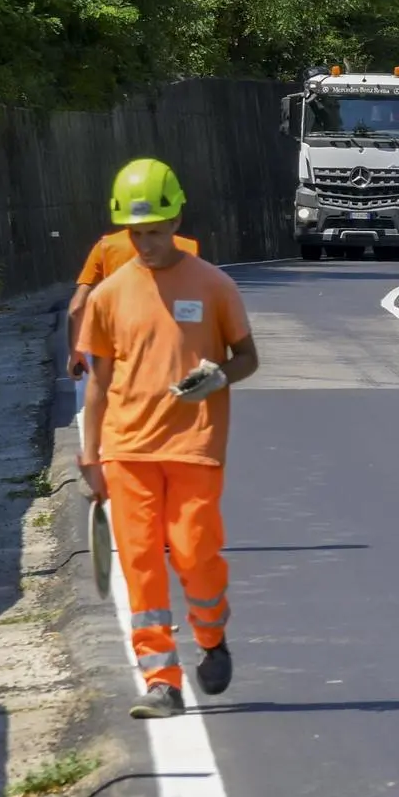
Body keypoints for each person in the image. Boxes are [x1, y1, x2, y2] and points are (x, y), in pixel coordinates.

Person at [77, 157, 259, 719]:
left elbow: (248, 357)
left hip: (194, 447)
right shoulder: (109, 295)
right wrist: (89, 455)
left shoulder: (214, 285)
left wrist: (219, 376)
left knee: (194, 550)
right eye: (136, 234)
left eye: (154, 232)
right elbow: (98, 383)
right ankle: (161, 680)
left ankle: (211, 638)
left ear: (175, 218)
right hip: (127, 449)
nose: (146, 244)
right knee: (139, 562)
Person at [66, 214, 200, 382]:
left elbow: (76, 309)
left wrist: (75, 353)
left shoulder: (105, 247)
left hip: (121, 354)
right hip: (173, 354)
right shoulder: (186, 247)